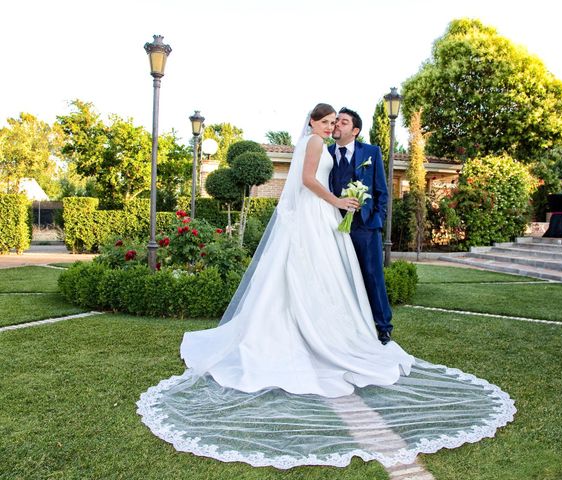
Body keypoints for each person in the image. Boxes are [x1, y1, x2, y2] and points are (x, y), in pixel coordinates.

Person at [137, 104, 516, 469]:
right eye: (330, 120)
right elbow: (306, 180)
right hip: (320, 213)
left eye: (339, 121)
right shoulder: (316, 143)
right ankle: (311, 331)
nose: (334, 125)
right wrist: (336, 199)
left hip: (334, 217)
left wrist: (358, 208)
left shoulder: (346, 147)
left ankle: (353, 328)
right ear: (316, 121)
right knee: (310, 271)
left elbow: (364, 187)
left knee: (335, 275)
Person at [329, 107, 393, 344]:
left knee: (373, 276)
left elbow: (382, 192)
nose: (337, 125)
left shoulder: (371, 152)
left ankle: (383, 326)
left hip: (365, 227)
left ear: (355, 131)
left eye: (343, 122)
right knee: (340, 277)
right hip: (334, 226)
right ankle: (348, 326)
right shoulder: (326, 153)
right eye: (336, 121)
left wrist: (376, 219)